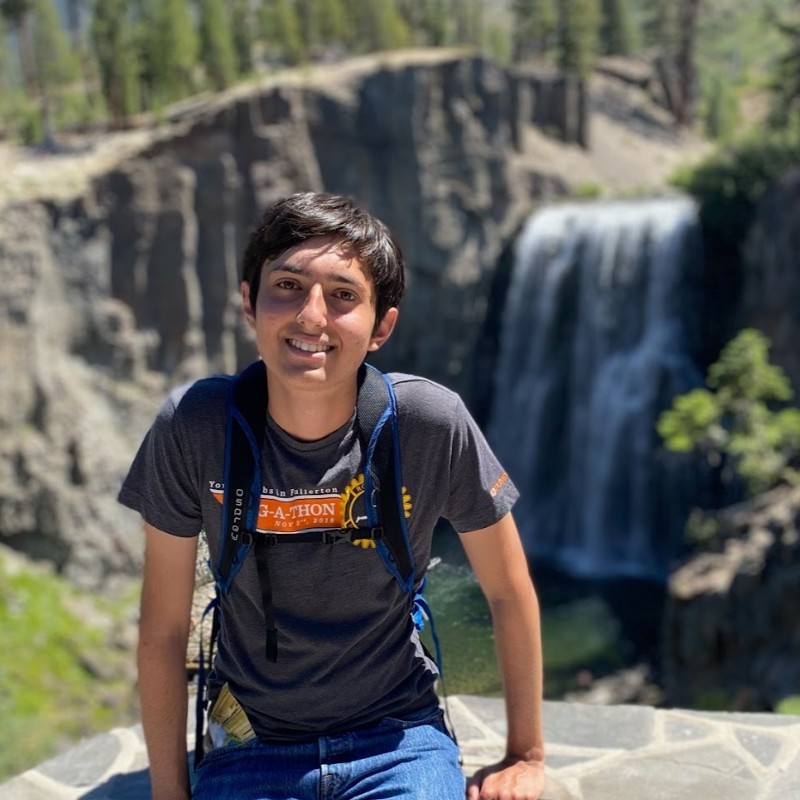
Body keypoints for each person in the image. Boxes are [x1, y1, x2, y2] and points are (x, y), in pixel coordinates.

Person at [119, 192, 546, 800]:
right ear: (249, 302)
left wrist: (526, 753)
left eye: (343, 295)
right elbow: (163, 628)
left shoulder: (428, 423)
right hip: (250, 742)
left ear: (381, 327)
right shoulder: (195, 425)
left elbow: (508, 589)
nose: (311, 316)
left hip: (398, 738)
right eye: (288, 286)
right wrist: (170, 794)